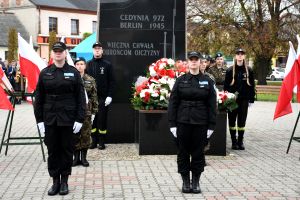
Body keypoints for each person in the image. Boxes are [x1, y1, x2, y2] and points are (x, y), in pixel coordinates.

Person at [34, 42, 86, 196]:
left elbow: (80, 98)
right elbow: (39, 98)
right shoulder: (45, 73)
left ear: (65, 53)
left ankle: (64, 181)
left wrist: (80, 119)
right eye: (55, 51)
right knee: (52, 150)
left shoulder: (73, 73)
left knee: (66, 150)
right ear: (52, 54)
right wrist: (39, 121)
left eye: (60, 51)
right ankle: (55, 181)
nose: (58, 54)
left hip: (68, 119)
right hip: (50, 119)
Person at [168, 51, 216, 194]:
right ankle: (185, 181)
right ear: (188, 63)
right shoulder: (180, 80)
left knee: (198, 153)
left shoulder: (208, 81)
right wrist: (172, 124)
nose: (194, 62)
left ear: (200, 62)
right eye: (191, 60)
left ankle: (195, 181)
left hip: (200, 123)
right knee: (183, 153)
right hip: (183, 122)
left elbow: (212, 105)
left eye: (196, 60)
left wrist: (211, 125)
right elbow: (173, 103)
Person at [224, 48, 255, 150]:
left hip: (244, 100)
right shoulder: (230, 70)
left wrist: (251, 99)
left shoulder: (249, 70)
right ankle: (234, 142)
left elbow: (252, 86)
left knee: (242, 121)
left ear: (244, 56)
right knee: (232, 121)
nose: (240, 55)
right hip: (232, 100)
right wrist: (227, 99)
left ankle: (240, 141)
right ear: (235, 56)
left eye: (242, 54)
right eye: (238, 54)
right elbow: (226, 87)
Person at [86, 42, 115, 150]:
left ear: (102, 51)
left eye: (99, 48)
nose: (97, 50)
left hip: (103, 98)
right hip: (91, 98)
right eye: (95, 49)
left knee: (102, 120)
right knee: (92, 120)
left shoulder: (107, 64)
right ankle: (93, 141)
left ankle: (102, 141)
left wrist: (110, 96)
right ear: (93, 51)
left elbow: (112, 81)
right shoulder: (88, 64)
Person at [73, 57, 98, 167]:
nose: (79, 66)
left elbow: (94, 96)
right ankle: (75, 158)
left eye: (82, 64)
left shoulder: (90, 79)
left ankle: (84, 158)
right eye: (77, 64)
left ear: (85, 66)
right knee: (75, 135)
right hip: (73, 112)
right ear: (75, 66)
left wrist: (94, 112)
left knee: (86, 134)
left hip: (87, 111)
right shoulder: (71, 78)